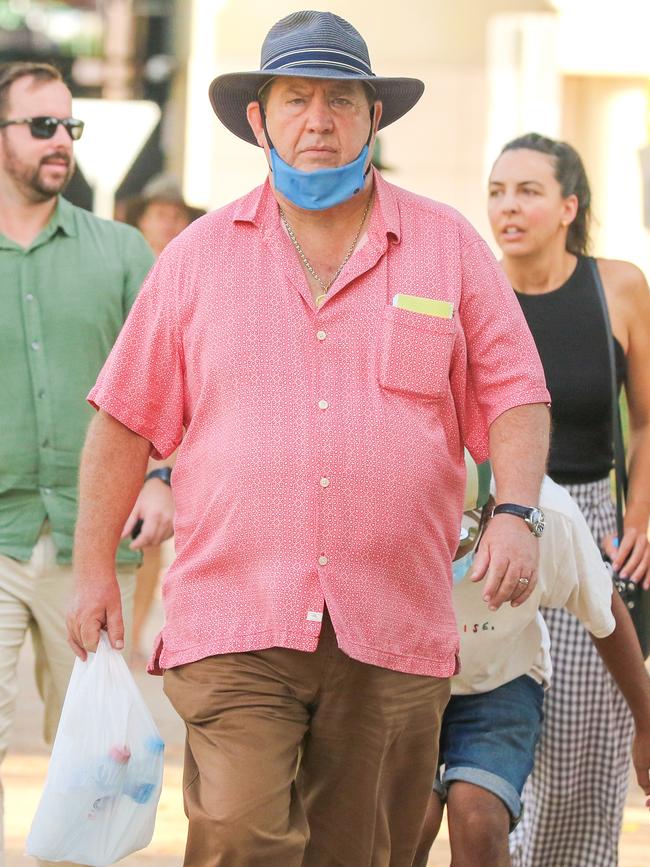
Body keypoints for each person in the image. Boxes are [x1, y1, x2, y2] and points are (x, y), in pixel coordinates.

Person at [67, 12, 550, 866]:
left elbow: (515, 391)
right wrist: (93, 570)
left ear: (374, 117)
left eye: (339, 100)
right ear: (260, 119)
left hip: (393, 623)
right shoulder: (196, 258)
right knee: (241, 836)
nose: (318, 121)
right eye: (296, 99)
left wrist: (516, 509)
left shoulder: (447, 248)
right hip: (236, 618)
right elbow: (122, 420)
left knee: (365, 851)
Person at [0, 61, 174, 867]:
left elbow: (175, 380)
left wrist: (165, 478)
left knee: (96, 763)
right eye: (42, 127)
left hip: (95, 546)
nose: (61, 141)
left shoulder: (122, 252)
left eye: (70, 126)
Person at [487, 132, 650, 866]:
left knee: (586, 755)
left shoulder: (618, 287)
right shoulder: (474, 290)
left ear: (568, 206)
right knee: (486, 754)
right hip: (496, 529)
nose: (507, 206)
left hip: (598, 525)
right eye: (496, 191)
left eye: (527, 191)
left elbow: (647, 419)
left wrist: (642, 513)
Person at [412, 464, 650, 867]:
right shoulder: (385, 506)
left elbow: (604, 611)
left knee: (478, 816)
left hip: (503, 678)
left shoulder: (550, 515)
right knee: (410, 821)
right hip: (410, 675)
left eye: (467, 532)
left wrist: (646, 723)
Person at [122, 175, 205, 665]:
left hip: (174, 428)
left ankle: (134, 632)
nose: (168, 223)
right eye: (159, 214)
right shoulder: (127, 272)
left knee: (150, 537)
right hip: (126, 415)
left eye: (176, 215)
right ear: (142, 219)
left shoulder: (193, 272)